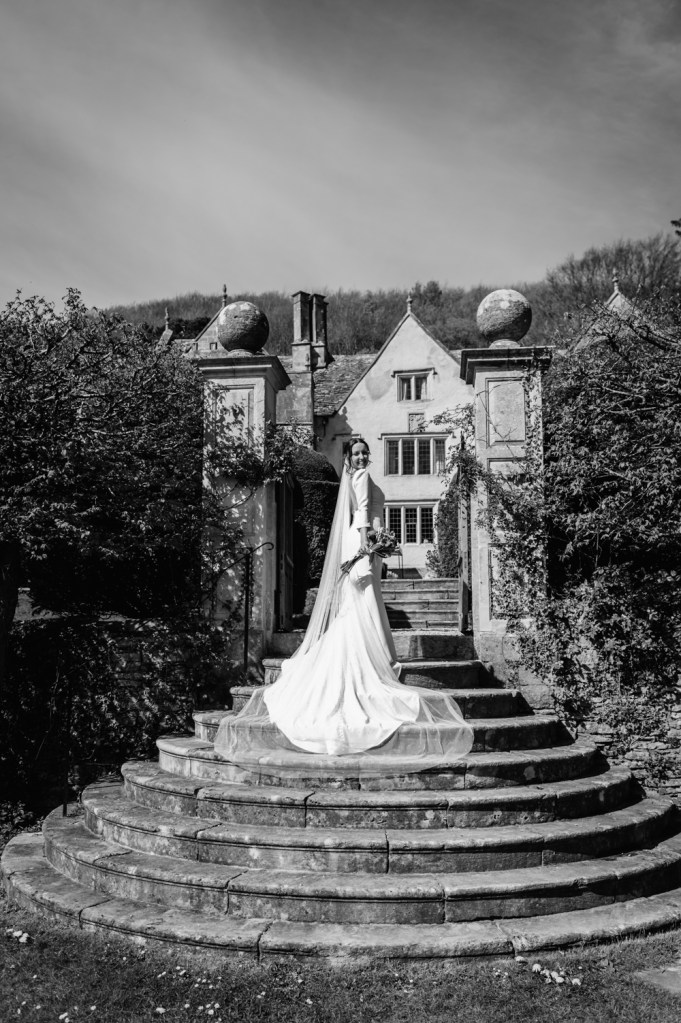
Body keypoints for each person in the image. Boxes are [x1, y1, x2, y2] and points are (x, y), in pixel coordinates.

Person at [213, 438, 473, 775]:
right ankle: (372, 656)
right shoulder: (360, 478)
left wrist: (372, 541)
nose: (363, 456)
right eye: (357, 453)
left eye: (366, 452)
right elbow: (363, 513)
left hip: (357, 542)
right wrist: (370, 546)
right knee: (362, 602)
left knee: (358, 605)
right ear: (348, 457)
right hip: (361, 543)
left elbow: (360, 512)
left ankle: (371, 652)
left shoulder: (351, 478)